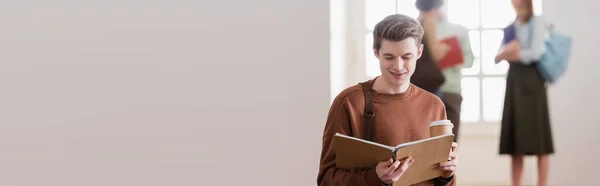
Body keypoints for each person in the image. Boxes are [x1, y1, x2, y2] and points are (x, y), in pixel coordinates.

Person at [317, 14, 457, 186]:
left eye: (406, 57)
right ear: (376, 52)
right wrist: (375, 178)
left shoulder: (434, 105)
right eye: (389, 57)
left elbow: (442, 181)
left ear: (419, 52)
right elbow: (326, 180)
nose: (398, 66)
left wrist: (447, 175)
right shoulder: (350, 102)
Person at [494, 0, 554, 185]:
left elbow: (535, 54)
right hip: (514, 83)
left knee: (540, 141)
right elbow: (497, 57)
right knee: (516, 143)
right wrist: (511, 51)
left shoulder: (537, 21)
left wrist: (511, 53)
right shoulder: (511, 26)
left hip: (533, 83)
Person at [415, 0, 475, 143]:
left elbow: (469, 61)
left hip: (451, 89)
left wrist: (449, 56)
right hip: (425, 89)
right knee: (423, 142)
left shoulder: (459, 30)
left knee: (450, 143)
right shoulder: (417, 29)